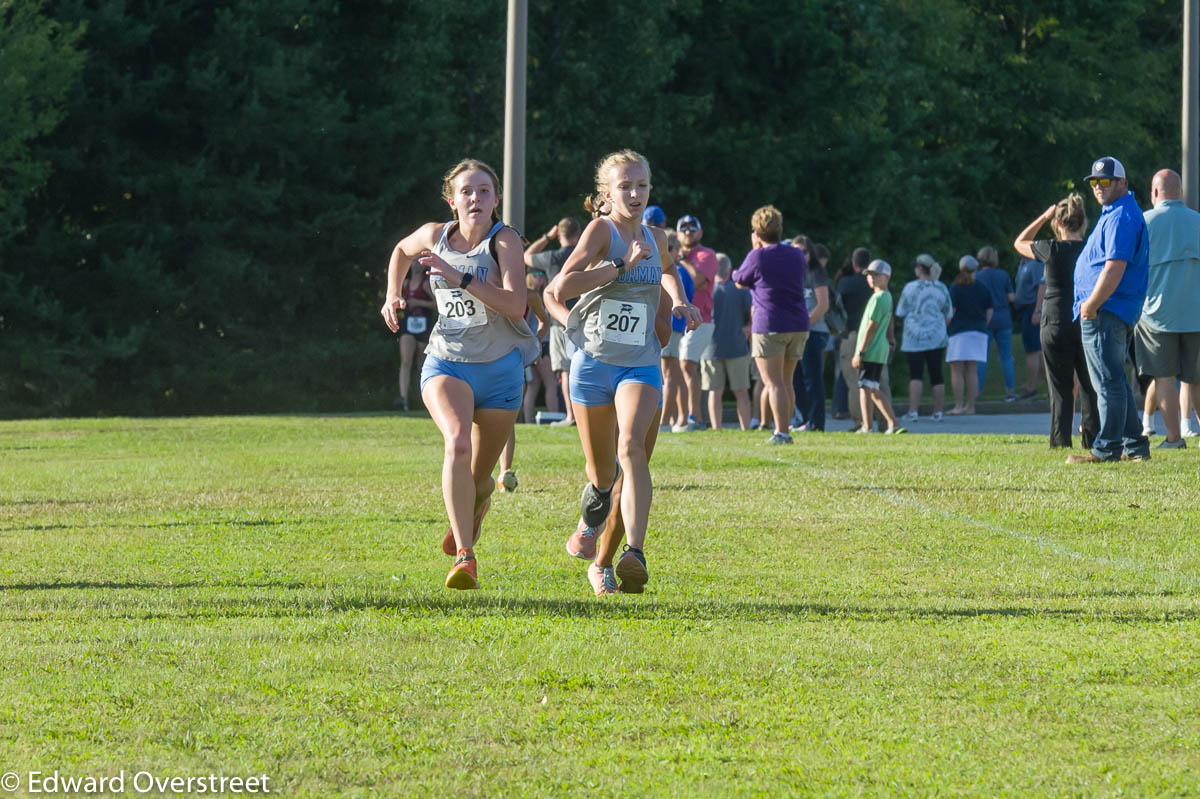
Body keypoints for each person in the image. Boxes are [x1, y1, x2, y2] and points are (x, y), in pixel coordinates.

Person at [544, 149, 699, 596]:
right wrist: (620, 267)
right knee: (602, 476)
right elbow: (561, 287)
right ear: (606, 193)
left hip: (641, 361)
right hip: (593, 364)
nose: (635, 193)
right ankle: (590, 520)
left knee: (632, 452)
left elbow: (667, 270)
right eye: (625, 186)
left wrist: (680, 299)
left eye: (642, 185)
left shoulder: (658, 236)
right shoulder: (601, 232)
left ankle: (631, 554)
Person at [381, 159, 539, 590]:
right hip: (446, 361)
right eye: (467, 191)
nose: (476, 198)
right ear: (452, 200)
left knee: (482, 479)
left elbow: (514, 305)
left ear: (497, 199)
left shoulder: (503, 241)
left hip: (501, 369)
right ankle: (466, 557)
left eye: (485, 191)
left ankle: (476, 504)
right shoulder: (436, 234)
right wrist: (393, 294)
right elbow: (400, 250)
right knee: (457, 441)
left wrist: (460, 277)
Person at [1065, 156, 1151, 464]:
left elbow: (1114, 267)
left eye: (1105, 181)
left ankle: (1106, 449)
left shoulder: (1122, 216)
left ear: (1122, 183)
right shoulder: (1114, 212)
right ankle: (1136, 447)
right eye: (1094, 182)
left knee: (1108, 382)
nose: (1098, 187)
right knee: (1115, 380)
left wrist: (1091, 303)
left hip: (1106, 310)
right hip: (1108, 310)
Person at [1014, 193, 1100, 449]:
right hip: (1085, 317)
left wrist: (1043, 216)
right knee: (1090, 385)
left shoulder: (1049, 248)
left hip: (1054, 321)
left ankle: (1060, 442)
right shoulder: (1091, 248)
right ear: (1083, 222)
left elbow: (1019, 242)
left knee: (1060, 387)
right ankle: (1092, 439)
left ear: (1058, 224)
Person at [732, 205, 809, 444]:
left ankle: (781, 433)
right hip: (798, 323)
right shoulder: (796, 253)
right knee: (787, 381)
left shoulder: (758, 255)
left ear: (756, 232)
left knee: (773, 383)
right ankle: (786, 427)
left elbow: (739, 280)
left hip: (770, 323)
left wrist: (754, 250)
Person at [1134, 168, 1200, 449]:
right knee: (1196, 380)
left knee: (1164, 378)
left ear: (1155, 192)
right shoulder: (1198, 221)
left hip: (1156, 315)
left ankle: (1173, 439)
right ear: (1180, 192)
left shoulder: (1143, 222)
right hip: (1196, 314)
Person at [525, 217, 582, 426]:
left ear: (559, 235)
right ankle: (584, 414)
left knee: (566, 370)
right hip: (586, 319)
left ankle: (571, 415)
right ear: (579, 234)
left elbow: (527, 256)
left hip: (560, 321)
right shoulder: (583, 255)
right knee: (585, 367)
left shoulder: (552, 258)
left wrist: (547, 237)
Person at [837, 247, 892, 429]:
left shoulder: (846, 283)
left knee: (858, 384)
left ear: (853, 264)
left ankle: (862, 423)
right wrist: (891, 338)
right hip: (881, 340)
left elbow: (837, 310)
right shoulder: (883, 292)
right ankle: (885, 423)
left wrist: (858, 351)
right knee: (880, 384)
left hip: (857, 337)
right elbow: (889, 317)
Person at [895, 253, 952, 422]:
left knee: (915, 374)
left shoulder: (910, 287)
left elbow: (900, 311)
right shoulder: (941, 287)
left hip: (914, 338)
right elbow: (948, 312)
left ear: (919, 269)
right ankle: (938, 411)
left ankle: (913, 411)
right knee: (937, 374)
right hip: (937, 337)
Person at [676, 214, 720, 430]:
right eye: (683, 229)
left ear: (700, 232)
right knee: (675, 367)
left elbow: (697, 280)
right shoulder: (671, 255)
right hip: (677, 320)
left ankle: (695, 416)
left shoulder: (707, 254)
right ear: (677, 234)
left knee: (686, 365)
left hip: (701, 319)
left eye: (692, 229)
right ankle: (680, 417)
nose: (688, 232)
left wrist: (681, 260)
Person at [851, 260, 905, 434]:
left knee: (866, 387)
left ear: (887, 277)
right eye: (869, 275)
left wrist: (860, 351)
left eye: (876, 275)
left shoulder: (879, 297)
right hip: (877, 348)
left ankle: (868, 426)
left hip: (872, 348)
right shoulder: (885, 296)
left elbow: (871, 326)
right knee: (871, 388)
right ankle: (892, 423)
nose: (871, 278)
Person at [701, 253, 753, 429]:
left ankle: (717, 428)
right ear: (730, 270)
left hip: (710, 347)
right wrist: (749, 327)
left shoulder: (706, 289)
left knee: (714, 392)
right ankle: (745, 428)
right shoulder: (740, 290)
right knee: (741, 392)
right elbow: (752, 311)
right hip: (737, 346)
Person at [945, 255, 993, 415]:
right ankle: (970, 406)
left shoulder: (955, 288)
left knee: (956, 369)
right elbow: (989, 311)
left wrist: (945, 327)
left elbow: (951, 312)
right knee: (972, 370)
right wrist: (982, 325)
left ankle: (958, 406)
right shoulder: (982, 287)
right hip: (978, 331)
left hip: (959, 332)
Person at [793, 237, 831, 431]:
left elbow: (823, 305)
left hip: (813, 332)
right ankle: (804, 420)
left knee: (812, 378)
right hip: (793, 333)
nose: (800, 256)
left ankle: (816, 423)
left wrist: (803, 324)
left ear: (810, 254)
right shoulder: (791, 273)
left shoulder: (816, 272)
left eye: (803, 252)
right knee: (795, 378)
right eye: (795, 252)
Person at [974, 245, 1017, 402]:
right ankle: (1010, 392)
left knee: (981, 357)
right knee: (1006, 357)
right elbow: (1012, 297)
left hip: (985, 319)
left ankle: (977, 392)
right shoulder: (1003, 275)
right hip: (1003, 318)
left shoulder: (977, 277)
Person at [660, 231, 694, 431]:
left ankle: (664, 421)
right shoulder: (683, 272)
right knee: (673, 374)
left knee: (668, 375)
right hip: (675, 327)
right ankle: (676, 418)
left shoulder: (676, 272)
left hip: (671, 326)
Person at [394, 261, 435, 411]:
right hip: (408, 326)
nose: (416, 266)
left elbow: (437, 304)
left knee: (422, 365)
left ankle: (426, 401)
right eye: (414, 262)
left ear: (424, 266)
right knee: (405, 361)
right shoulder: (405, 284)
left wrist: (419, 302)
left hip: (424, 327)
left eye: (419, 262)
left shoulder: (425, 285)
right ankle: (403, 399)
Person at [1013, 254, 1045, 399]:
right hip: (1024, 310)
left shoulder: (1036, 263)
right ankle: (1045, 384)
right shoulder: (1023, 263)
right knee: (1036, 350)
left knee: (1033, 350)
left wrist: (1037, 310)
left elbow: (1042, 285)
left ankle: (1031, 388)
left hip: (1032, 309)